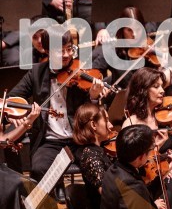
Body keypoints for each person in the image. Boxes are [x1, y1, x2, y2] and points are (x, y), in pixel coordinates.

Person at [9, 30, 105, 181]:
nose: (67, 55)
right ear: (47, 51)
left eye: (69, 49)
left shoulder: (79, 71)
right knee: (39, 168)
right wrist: (18, 114)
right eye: (60, 51)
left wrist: (93, 97)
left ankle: (87, 196)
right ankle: (57, 188)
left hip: (79, 139)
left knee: (97, 162)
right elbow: (12, 98)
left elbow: (90, 113)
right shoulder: (36, 73)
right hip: (50, 142)